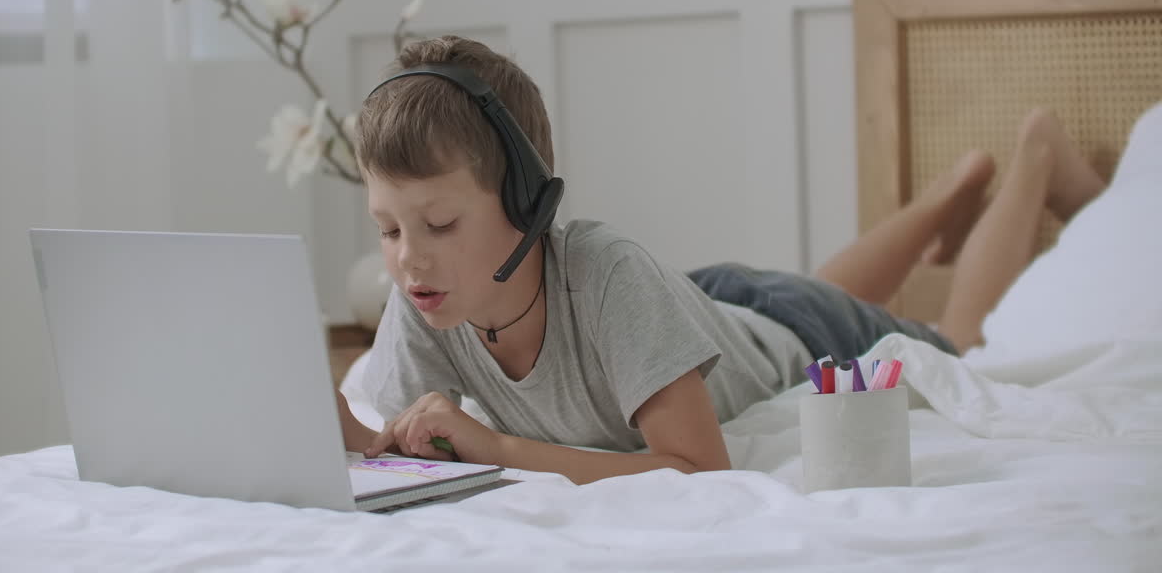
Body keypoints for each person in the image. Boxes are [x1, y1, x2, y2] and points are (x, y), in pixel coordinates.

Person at [333, 35, 1106, 484]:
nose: (409, 260)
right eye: (389, 230)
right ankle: (954, 188)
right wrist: (338, 429)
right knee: (787, 301)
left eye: (437, 222)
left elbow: (698, 466)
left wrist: (500, 449)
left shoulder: (608, 273)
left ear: (530, 205)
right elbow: (391, 443)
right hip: (708, 314)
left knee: (957, 344)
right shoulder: (426, 293)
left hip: (787, 331)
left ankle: (1035, 155)